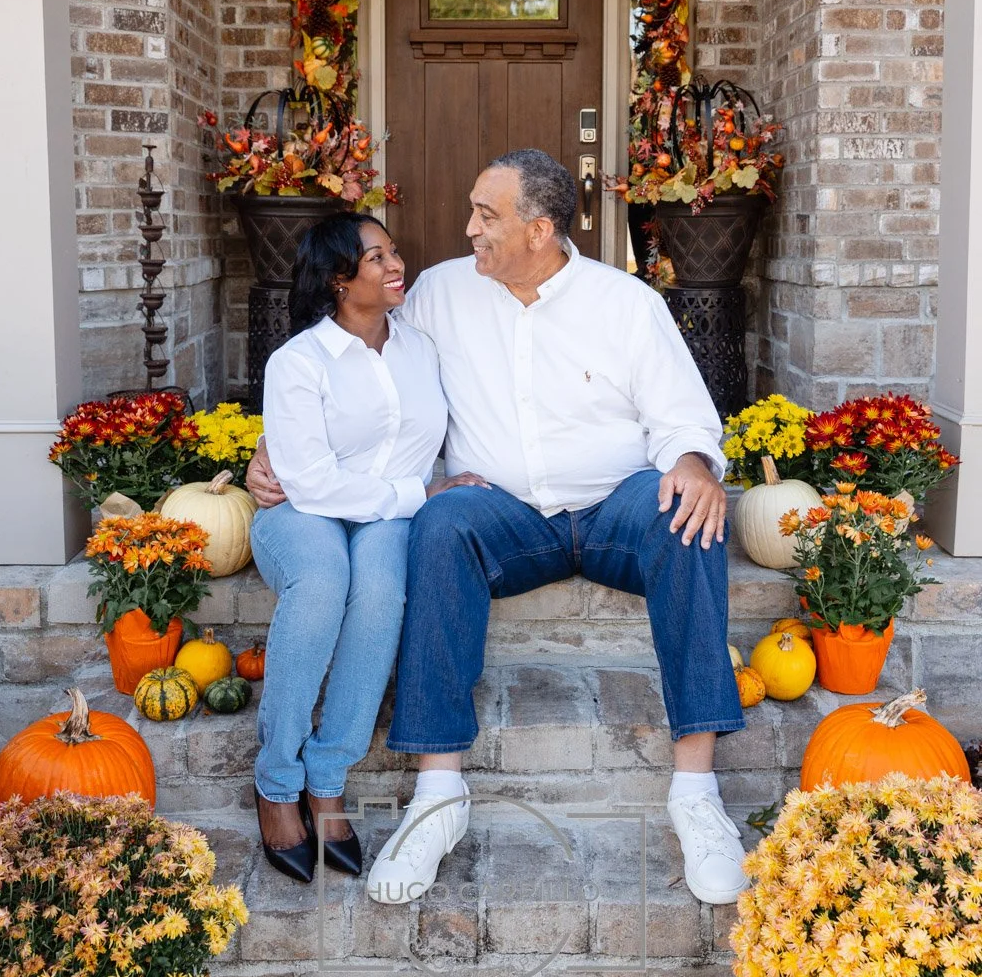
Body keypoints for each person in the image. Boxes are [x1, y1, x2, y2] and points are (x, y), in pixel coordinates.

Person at [247, 152, 747, 905]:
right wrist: (272, 446)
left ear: (539, 230)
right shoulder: (440, 293)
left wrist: (693, 460)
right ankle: (438, 796)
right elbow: (346, 353)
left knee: (691, 511)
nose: (467, 229)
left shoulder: (624, 303)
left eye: (487, 215)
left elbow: (680, 414)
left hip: (613, 505)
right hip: (504, 515)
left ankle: (697, 793)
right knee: (441, 519)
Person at [249, 211, 486, 884]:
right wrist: (419, 495)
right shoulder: (298, 362)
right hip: (302, 512)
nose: (394, 265)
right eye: (376, 258)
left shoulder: (422, 348)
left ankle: (327, 776)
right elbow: (312, 482)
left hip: (387, 515)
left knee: (380, 591)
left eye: (392, 251)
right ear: (337, 280)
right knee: (325, 582)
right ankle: (275, 781)